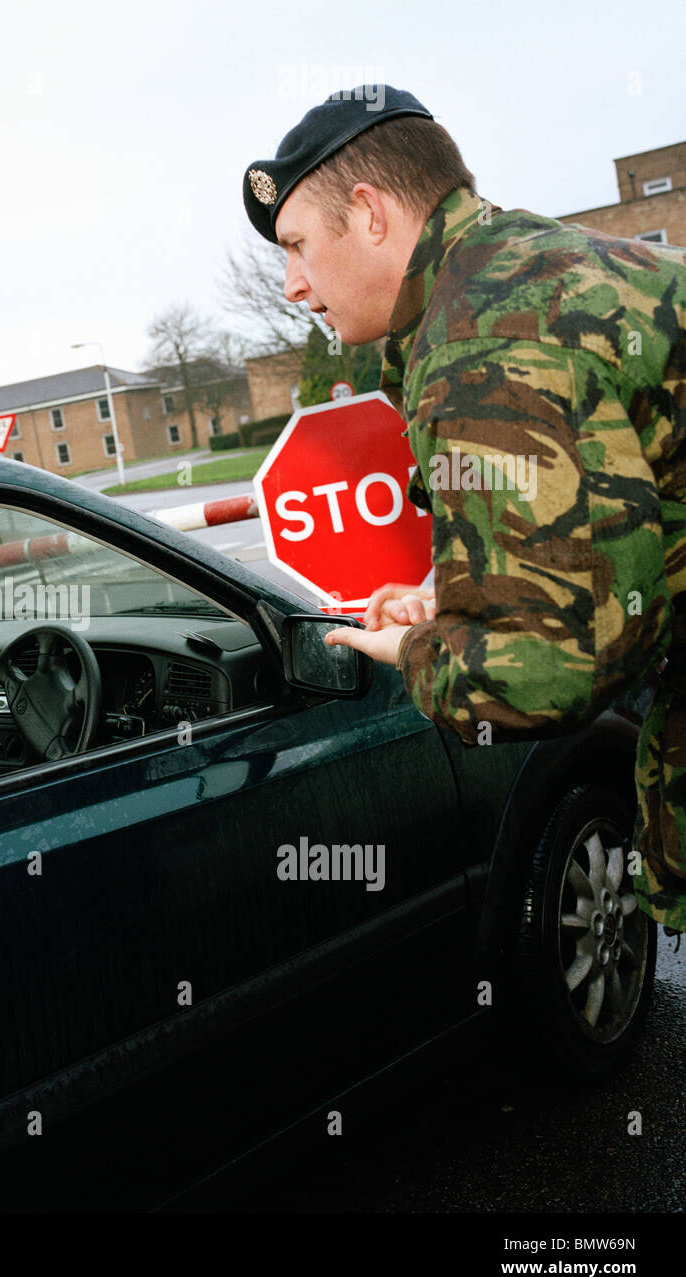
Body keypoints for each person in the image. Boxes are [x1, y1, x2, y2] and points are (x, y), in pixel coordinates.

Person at [240, 86, 686, 929]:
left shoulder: (484, 341)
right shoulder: (522, 262)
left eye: (296, 246)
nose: (294, 285)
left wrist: (416, 649)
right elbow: (626, 504)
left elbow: (552, 670)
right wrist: (468, 591)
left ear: (369, 214)